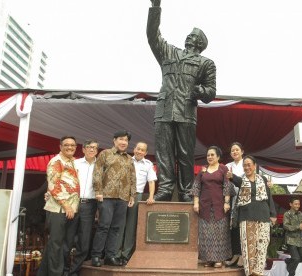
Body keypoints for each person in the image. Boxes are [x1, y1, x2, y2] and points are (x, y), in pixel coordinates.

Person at [147, 0, 217, 202]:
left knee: (185, 154)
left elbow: (211, 92)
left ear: (200, 44)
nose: (189, 37)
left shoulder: (206, 63)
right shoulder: (169, 52)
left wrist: (197, 90)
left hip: (186, 111)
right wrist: (155, 8)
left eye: (194, 36)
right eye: (189, 34)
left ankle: (186, 190)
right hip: (164, 109)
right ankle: (166, 189)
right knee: (164, 152)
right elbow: (153, 36)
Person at [91, 130, 136, 267]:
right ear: (114, 140)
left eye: (126, 140)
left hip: (122, 198)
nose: (123, 142)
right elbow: (97, 173)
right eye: (121, 139)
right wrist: (98, 191)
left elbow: (132, 178)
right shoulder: (105, 154)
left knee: (116, 228)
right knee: (104, 226)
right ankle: (96, 256)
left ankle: (110, 256)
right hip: (106, 196)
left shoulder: (129, 159)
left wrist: (132, 195)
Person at [37, 136, 80, 276]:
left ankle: (43, 273)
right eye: (66, 145)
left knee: (57, 244)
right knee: (56, 245)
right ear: (60, 146)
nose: (70, 147)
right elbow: (53, 186)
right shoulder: (56, 161)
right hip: (58, 209)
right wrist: (66, 206)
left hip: (70, 209)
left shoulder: (73, 162)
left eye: (73, 145)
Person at [231, 155, 277, 276]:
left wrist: (273, 214)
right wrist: (230, 176)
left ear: (255, 165)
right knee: (248, 247)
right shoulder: (241, 180)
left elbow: (269, 196)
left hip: (263, 215)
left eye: (249, 164)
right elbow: (234, 179)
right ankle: (250, 272)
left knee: (262, 245)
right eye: (244, 165)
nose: (246, 167)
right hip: (246, 216)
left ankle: (258, 272)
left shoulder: (263, 179)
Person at [117, 141, 157, 265]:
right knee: (119, 225)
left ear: (146, 152)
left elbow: (151, 181)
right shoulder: (126, 160)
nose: (139, 151)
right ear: (134, 149)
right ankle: (115, 254)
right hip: (122, 195)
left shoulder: (148, 164)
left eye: (142, 150)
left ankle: (125, 255)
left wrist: (150, 196)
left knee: (130, 226)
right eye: (138, 149)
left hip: (137, 195)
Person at [192, 146, 233, 268]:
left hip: (219, 206)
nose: (209, 157)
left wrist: (227, 202)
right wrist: (196, 202)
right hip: (204, 206)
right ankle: (208, 259)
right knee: (205, 234)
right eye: (208, 155)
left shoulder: (223, 169)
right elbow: (196, 186)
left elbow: (227, 186)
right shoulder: (203, 170)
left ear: (218, 157)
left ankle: (219, 259)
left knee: (220, 233)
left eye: (212, 155)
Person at [63, 139, 99, 276]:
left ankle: (74, 271)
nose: (91, 150)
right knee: (68, 239)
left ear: (97, 150)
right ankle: (65, 271)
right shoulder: (75, 163)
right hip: (72, 203)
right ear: (83, 149)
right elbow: (63, 181)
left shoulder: (101, 166)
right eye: (89, 147)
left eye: (94, 148)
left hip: (90, 205)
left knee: (84, 243)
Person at [225, 142, 245, 267]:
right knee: (233, 227)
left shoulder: (247, 163)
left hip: (244, 198)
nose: (235, 152)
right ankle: (235, 254)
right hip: (232, 198)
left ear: (242, 151)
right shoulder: (228, 166)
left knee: (242, 226)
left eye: (237, 150)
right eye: (232, 151)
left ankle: (243, 255)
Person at [283, 197, 302, 276]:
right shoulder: (287, 214)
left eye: (298, 204)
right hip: (290, 240)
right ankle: (291, 273)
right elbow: (286, 226)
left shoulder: (300, 214)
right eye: (296, 204)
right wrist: (298, 227)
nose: (297, 206)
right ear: (290, 204)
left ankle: (289, 261)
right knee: (296, 258)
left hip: (299, 240)